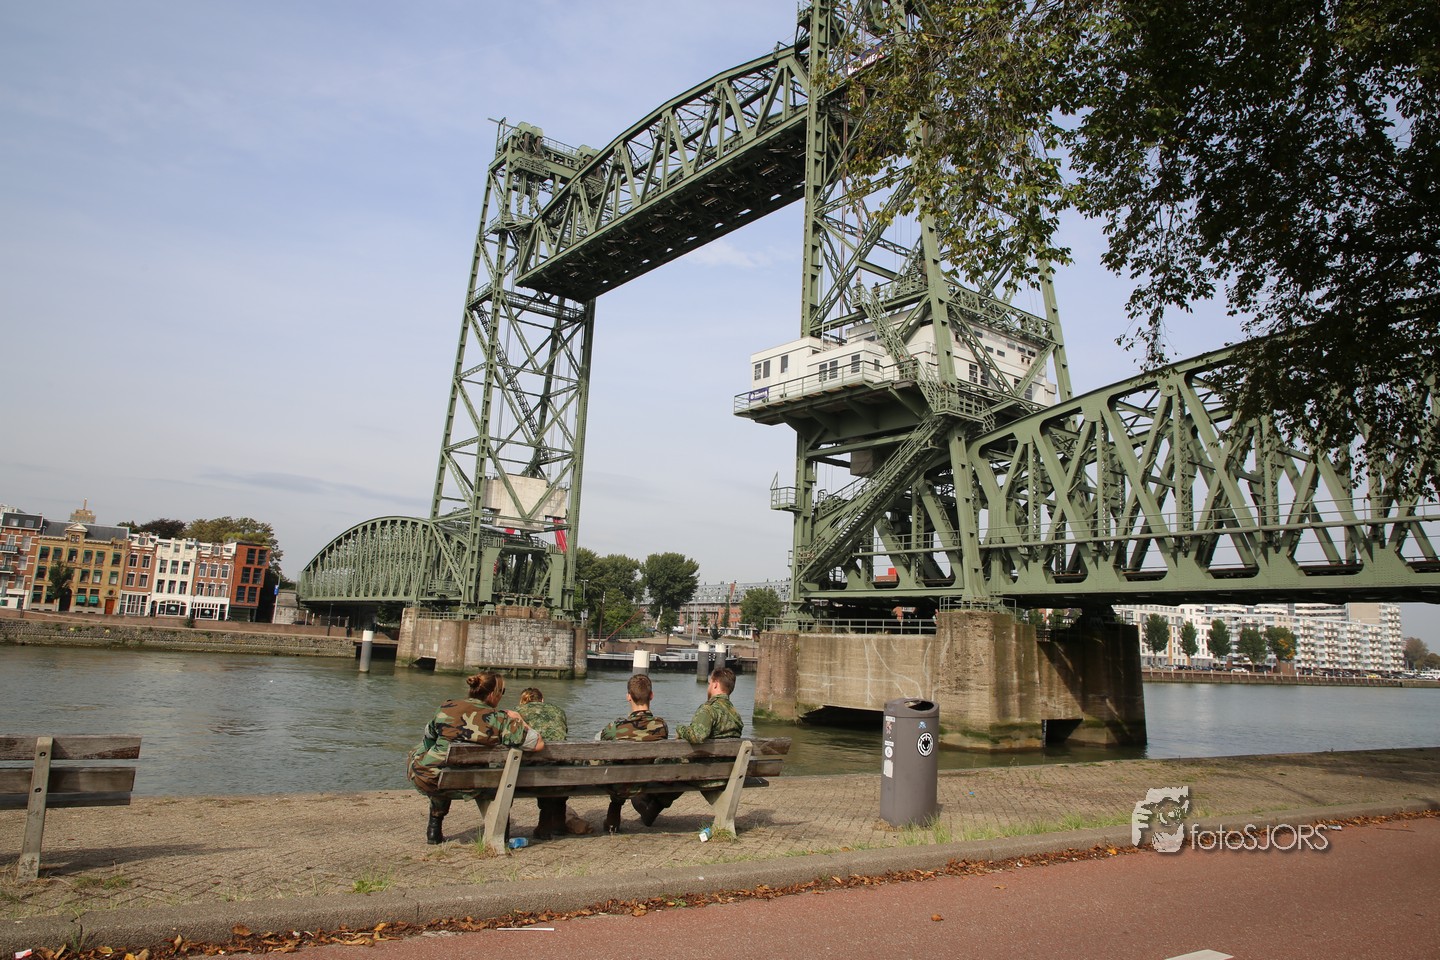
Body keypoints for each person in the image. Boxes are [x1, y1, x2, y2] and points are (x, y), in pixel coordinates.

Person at [406, 671, 544, 845]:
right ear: (493, 694)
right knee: (468, 771)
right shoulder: (500, 719)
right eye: (502, 692)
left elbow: (429, 735)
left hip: (430, 779)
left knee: (435, 761)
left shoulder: (446, 707)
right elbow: (538, 744)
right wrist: (519, 719)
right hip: (476, 784)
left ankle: (435, 825)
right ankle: (501, 833)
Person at [632, 666, 743, 827]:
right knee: (681, 767)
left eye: (709, 683)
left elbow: (697, 735)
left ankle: (643, 799)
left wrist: (681, 730)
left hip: (705, 775)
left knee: (671, 766)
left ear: (715, 684)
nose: (708, 686)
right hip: (726, 774)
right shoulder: (736, 715)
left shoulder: (709, 710)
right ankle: (650, 809)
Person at [596, 673, 669, 834]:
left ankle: (614, 812)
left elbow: (600, 742)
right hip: (647, 781)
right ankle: (647, 808)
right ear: (651, 695)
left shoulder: (615, 728)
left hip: (618, 783)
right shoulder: (661, 726)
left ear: (628, 697)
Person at [516, 687, 571, 839]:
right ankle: (558, 824)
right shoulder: (558, 710)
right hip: (560, 772)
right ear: (542, 700)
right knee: (556, 768)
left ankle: (504, 833)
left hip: (529, 774)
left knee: (537, 768)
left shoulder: (517, 712)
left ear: (522, 701)